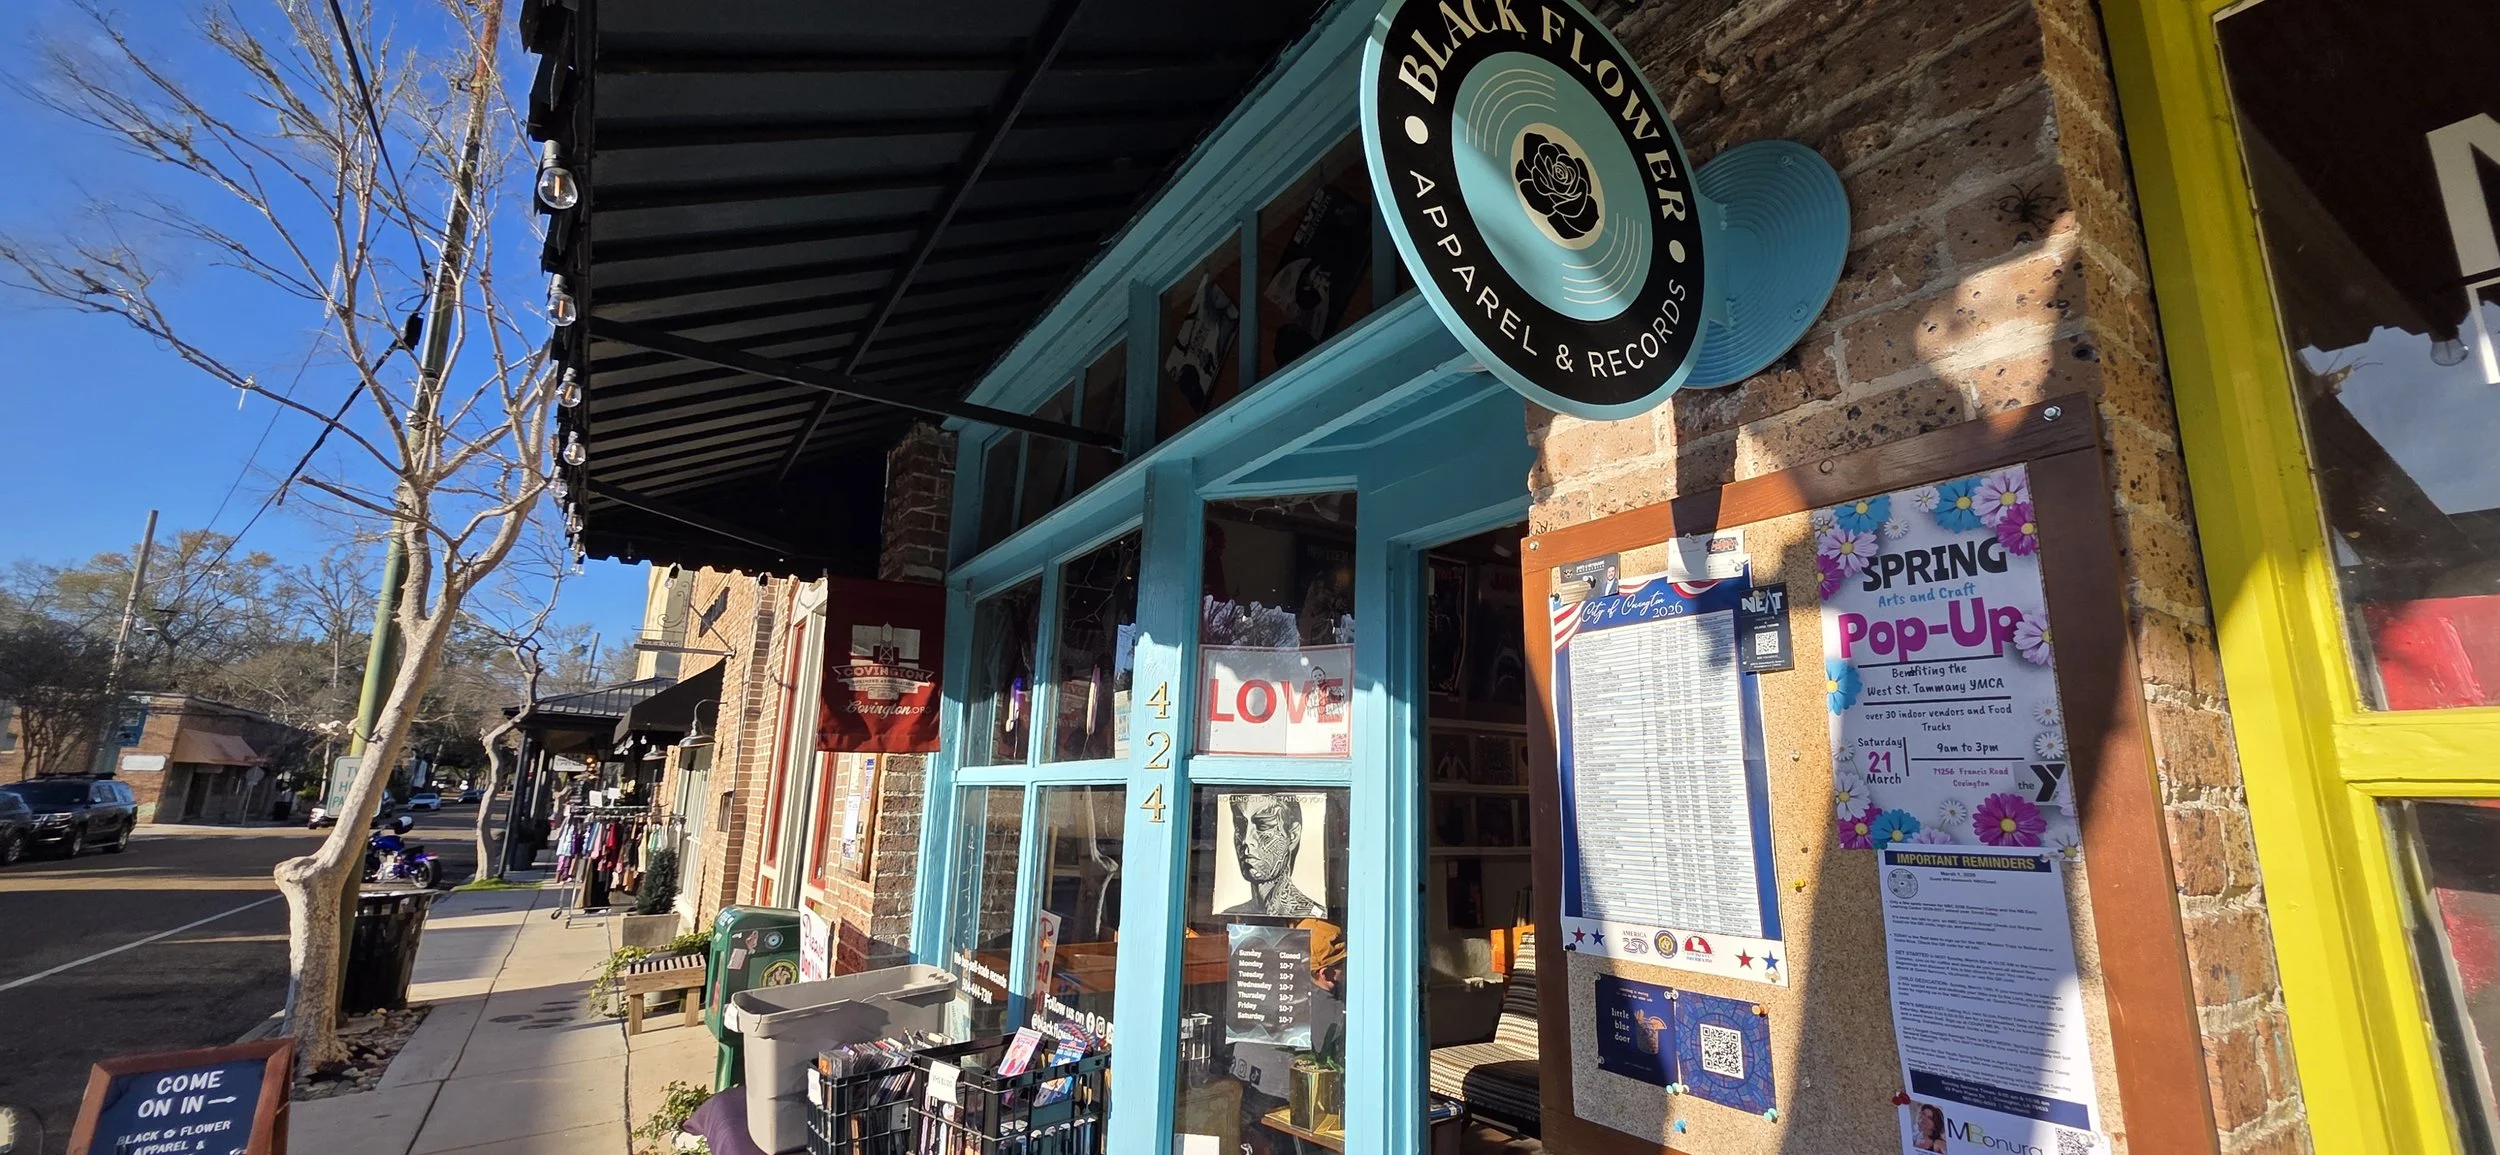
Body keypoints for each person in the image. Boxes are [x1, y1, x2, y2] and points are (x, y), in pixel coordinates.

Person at [1221, 794, 1320, 917]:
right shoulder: (1231, 915)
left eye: (1263, 826)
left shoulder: (1315, 916)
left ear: (1293, 836)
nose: (1246, 840)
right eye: (1240, 826)